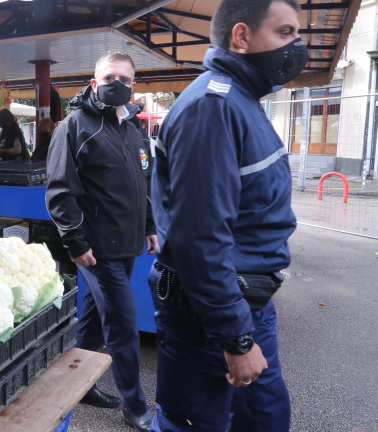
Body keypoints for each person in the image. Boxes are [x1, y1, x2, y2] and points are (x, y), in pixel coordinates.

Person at [148, 1, 306, 430]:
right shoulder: (213, 107)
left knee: (263, 418)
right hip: (214, 313)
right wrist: (235, 337)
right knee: (197, 421)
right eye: (286, 31)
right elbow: (201, 237)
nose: (298, 45)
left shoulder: (240, 100)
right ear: (241, 36)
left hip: (241, 303)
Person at [45, 50, 157, 432]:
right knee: (123, 326)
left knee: (91, 321)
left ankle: (80, 382)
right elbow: (60, 192)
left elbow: (142, 182)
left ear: (133, 85)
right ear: (94, 83)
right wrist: (76, 244)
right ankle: (134, 405)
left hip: (127, 245)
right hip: (97, 250)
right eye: (109, 78)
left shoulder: (133, 127)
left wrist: (150, 224)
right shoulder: (75, 126)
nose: (117, 85)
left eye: (124, 80)